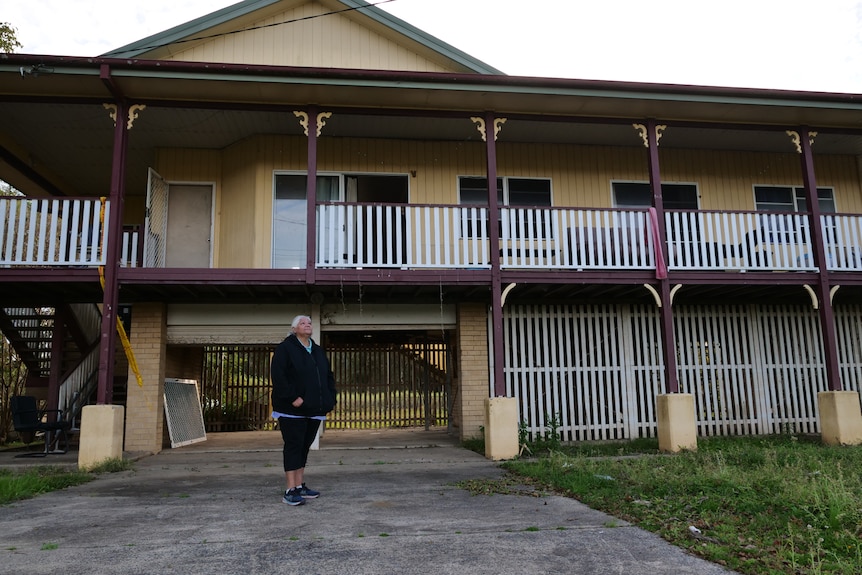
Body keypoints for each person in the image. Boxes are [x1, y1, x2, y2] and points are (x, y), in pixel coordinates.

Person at [270, 315, 337, 506]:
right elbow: (279, 376)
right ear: (294, 329)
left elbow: (327, 376)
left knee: (303, 447)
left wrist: (331, 398)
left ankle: (299, 486)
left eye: (309, 323)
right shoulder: (285, 349)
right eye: (302, 323)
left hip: (314, 409)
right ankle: (290, 490)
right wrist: (293, 397)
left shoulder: (316, 350)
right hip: (292, 410)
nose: (307, 325)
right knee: (293, 446)